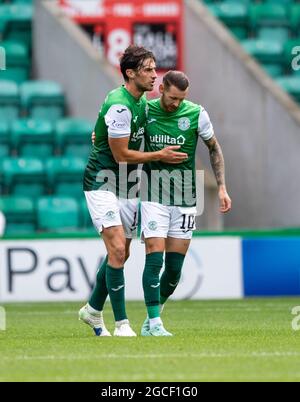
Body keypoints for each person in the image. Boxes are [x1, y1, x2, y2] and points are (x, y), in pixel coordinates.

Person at [79, 46, 188, 337]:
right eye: (149, 69)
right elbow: (120, 155)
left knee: (122, 253)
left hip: (126, 184)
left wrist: (99, 134)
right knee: (116, 248)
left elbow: (103, 131)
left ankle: (91, 310)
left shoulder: (140, 101)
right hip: (102, 180)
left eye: (155, 69)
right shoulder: (121, 104)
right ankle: (122, 324)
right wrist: (159, 155)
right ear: (131, 73)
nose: (155, 75)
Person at [139, 70, 232, 336]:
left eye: (181, 99)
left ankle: (152, 316)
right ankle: (154, 322)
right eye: (172, 98)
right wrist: (99, 137)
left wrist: (222, 187)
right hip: (153, 196)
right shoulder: (145, 112)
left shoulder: (196, 113)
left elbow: (214, 148)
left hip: (185, 198)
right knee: (154, 259)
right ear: (161, 89)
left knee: (174, 272)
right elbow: (122, 138)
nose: (176, 104)